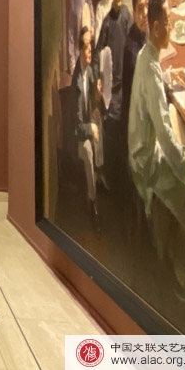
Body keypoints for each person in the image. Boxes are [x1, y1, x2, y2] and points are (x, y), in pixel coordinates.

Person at [128, 0, 185, 288]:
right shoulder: (147, 63)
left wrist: (169, 76)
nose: (172, 27)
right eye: (169, 22)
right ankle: (183, 264)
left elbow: (153, 85)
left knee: (180, 132)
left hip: (146, 145)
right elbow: (163, 134)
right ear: (156, 27)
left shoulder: (148, 55)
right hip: (145, 160)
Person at [92, 0, 133, 190]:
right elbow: (98, 53)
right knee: (112, 136)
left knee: (126, 133)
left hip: (125, 86)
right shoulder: (107, 22)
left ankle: (125, 180)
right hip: (111, 90)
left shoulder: (126, 15)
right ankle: (111, 180)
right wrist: (99, 79)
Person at [73, 28, 104, 230]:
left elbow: (93, 95)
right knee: (88, 151)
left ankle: (99, 174)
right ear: (79, 50)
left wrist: (97, 97)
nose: (89, 50)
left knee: (100, 119)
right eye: (86, 47)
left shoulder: (89, 69)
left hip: (87, 122)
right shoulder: (76, 84)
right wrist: (90, 128)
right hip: (77, 136)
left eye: (90, 45)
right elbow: (76, 128)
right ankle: (92, 201)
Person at [123, 0, 150, 134]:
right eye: (140, 9)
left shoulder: (142, 30)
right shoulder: (133, 52)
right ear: (134, 14)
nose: (145, 13)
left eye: (147, 5)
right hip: (138, 124)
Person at [67, 0, 94, 73]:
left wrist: (92, 27)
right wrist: (72, 61)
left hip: (89, 46)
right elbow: (71, 31)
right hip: (79, 53)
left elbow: (90, 4)